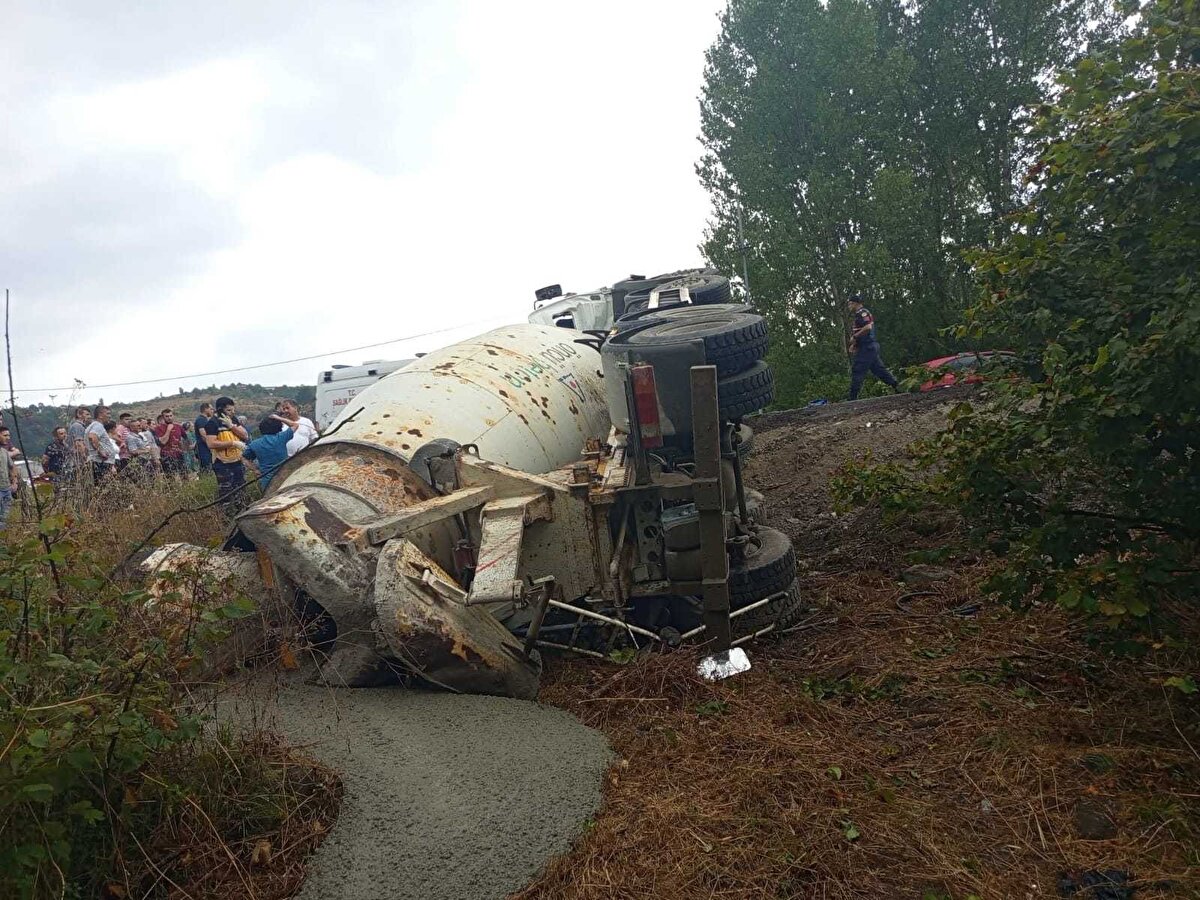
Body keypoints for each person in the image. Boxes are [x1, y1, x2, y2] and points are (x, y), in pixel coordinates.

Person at [847, 294, 900, 401]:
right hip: (867, 347)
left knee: (857, 369)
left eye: (850, 304)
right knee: (879, 370)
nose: (849, 306)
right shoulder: (858, 315)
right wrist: (855, 344)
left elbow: (868, 327)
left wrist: (854, 337)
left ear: (855, 303)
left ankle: (852, 399)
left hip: (868, 347)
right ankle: (898, 386)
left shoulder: (862, 313)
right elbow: (863, 331)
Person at [202, 396, 249, 511]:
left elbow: (245, 436)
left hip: (237, 461)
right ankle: (227, 519)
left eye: (233, 410)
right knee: (226, 494)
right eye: (228, 410)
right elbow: (211, 443)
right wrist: (232, 443)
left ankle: (242, 514)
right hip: (222, 463)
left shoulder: (233, 419)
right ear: (220, 409)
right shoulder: (212, 423)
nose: (232, 412)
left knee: (241, 491)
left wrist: (231, 426)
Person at [242, 415, 294, 490]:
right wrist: (279, 418)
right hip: (285, 479)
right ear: (278, 427)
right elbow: (295, 425)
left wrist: (255, 469)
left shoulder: (255, 444)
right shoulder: (281, 437)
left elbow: (243, 458)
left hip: (267, 483)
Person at [85, 405, 115, 483]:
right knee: (103, 487)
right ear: (100, 415)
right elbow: (92, 436)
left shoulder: (93, 425)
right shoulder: (98, 426)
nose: (109, 416)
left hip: (99, 462)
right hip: (100, 462)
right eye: (108, 414)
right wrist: (100, 452)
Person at [153, 408, 186, 478]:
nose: (169, 418)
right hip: (166, 455)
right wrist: (168, 430)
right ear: (163, 417)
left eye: (171, 415)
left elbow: (186, 438)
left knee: (184, 475)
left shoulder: (178, 426)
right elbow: (163, 442)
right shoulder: (158, 428)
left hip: (179, 454)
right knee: (170, 477)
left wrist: (184, 448)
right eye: (167, 416)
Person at [0, 432, 15, 529]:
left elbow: (12, 466)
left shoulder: (4, 451)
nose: (8, 438)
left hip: (6, 488)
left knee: (6, 517)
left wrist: (14, 482)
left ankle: (4, 537)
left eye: (9, 436)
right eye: (5, 435)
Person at [194, 403, 214, 472]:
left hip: (205, 448)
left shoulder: (204, 419)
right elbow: (203, 435)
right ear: (205, 409)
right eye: (211, 409)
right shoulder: (201, 420)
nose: (212, 410)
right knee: (207, 469)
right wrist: (211, 446)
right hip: (203, 449)